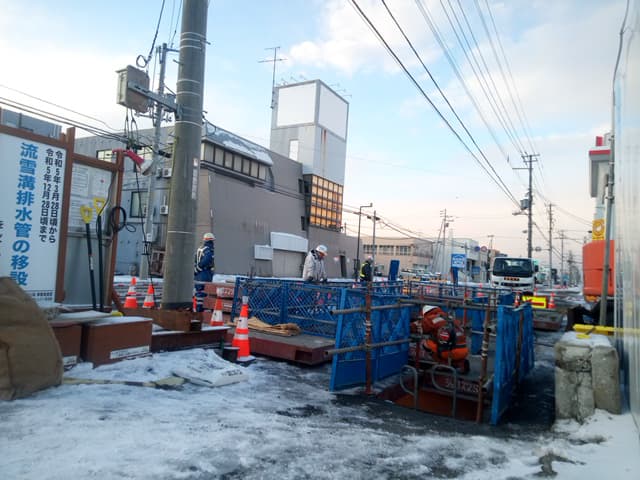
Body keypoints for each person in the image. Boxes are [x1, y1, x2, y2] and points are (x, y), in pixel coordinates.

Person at [193, 232, 215, 312]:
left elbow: (195, 260)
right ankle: (201, 310)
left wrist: (196, 269)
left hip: (199, 274)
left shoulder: (200, 248)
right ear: (211, 241)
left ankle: (197, 309)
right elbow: (206, 261)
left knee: (198, 291)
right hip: (205, 273)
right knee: (204, 291)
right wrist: (199, 268)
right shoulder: (208, 250)